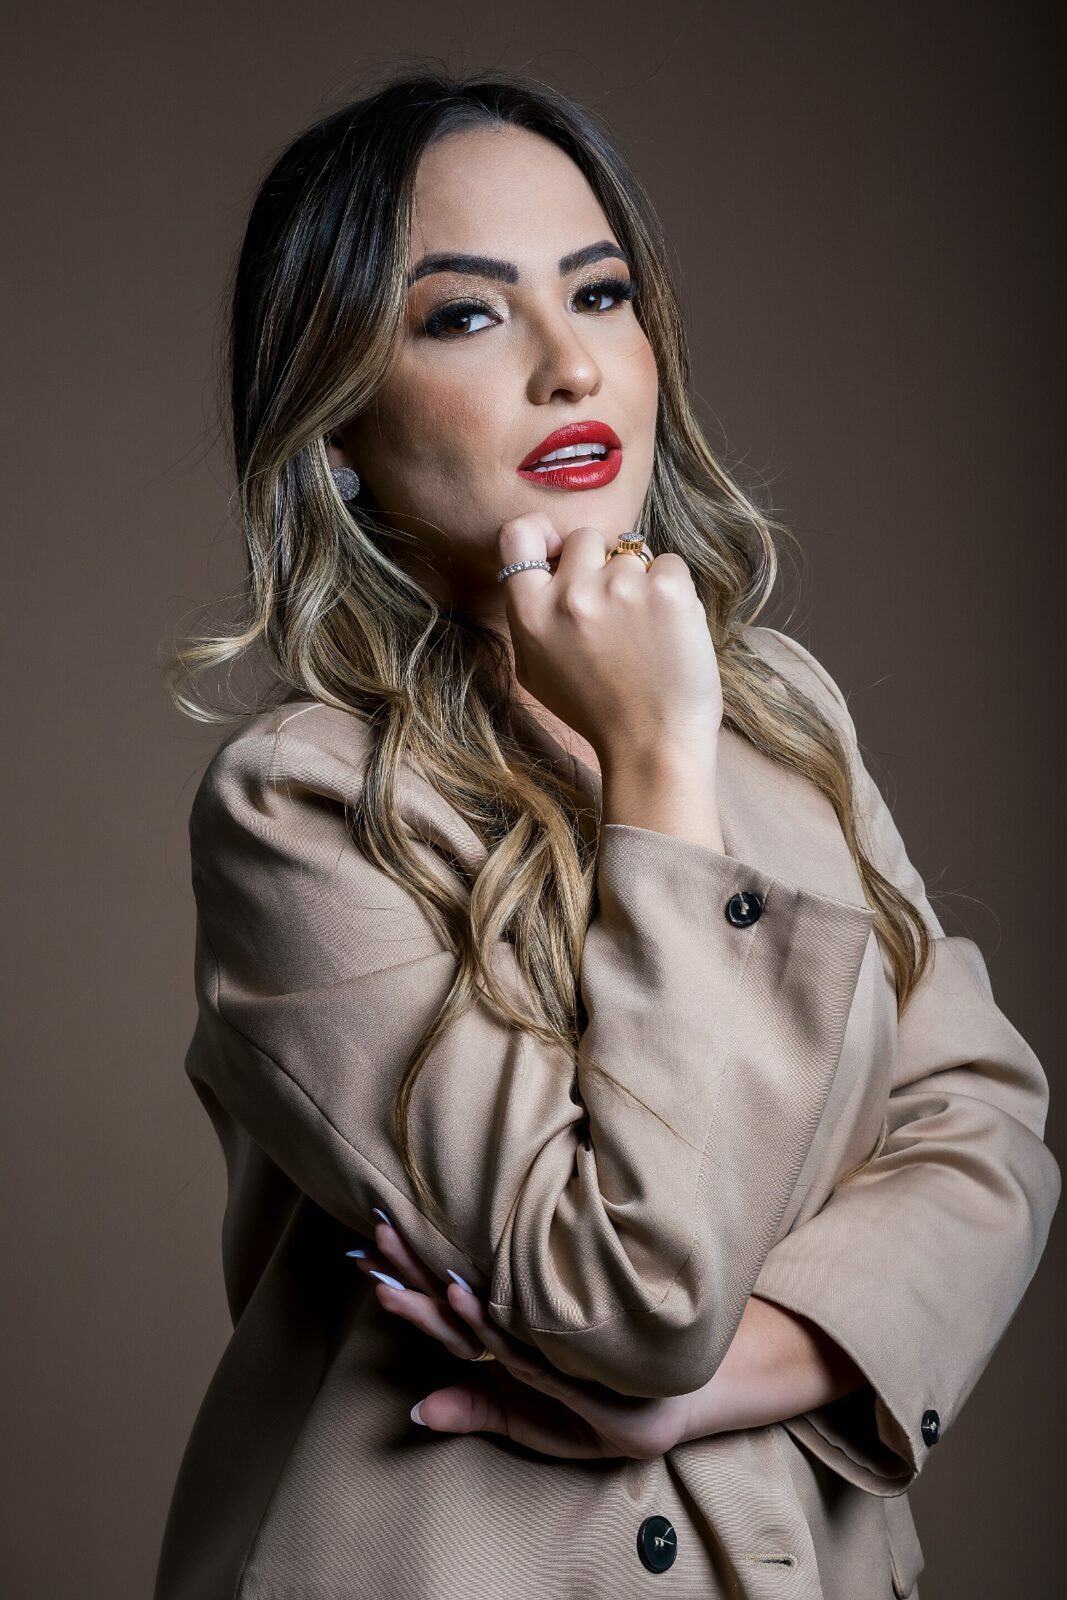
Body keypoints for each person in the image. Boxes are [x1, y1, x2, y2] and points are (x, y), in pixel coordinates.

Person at [154, 68, 1059, 1600]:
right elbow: (633, 1295)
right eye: (466, 314)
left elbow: (987, 1130)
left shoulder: (780, 715)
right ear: (336, 425)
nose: (570, 363)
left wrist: (725, 1383)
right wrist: (652, 764)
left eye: (601, 293)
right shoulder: (298, 805)